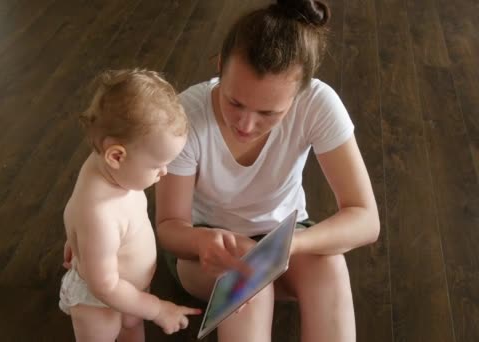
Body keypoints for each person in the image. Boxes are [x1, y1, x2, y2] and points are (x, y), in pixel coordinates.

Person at [154, 0, 380, 341]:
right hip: (206, 247)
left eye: (268, 113)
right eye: (234, 102)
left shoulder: (318, 103)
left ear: (300, 94)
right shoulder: (187, 114)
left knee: (331, 267)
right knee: (250, 286)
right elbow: (170, 227)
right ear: (219, 67)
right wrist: (202, 241)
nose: (245, 124)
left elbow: (366, 219)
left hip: (286, 236)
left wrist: (289, 245)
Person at [59, 69, 201, 342]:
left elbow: (73, 207)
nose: (164, 172)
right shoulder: (99, 213)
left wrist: (77, 238)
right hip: (99, 301)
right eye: (156, 165)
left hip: (131, 289)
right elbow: (105, 286)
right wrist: (158, 309)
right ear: (116, 155)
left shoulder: (106, 169)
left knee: (132, 328)